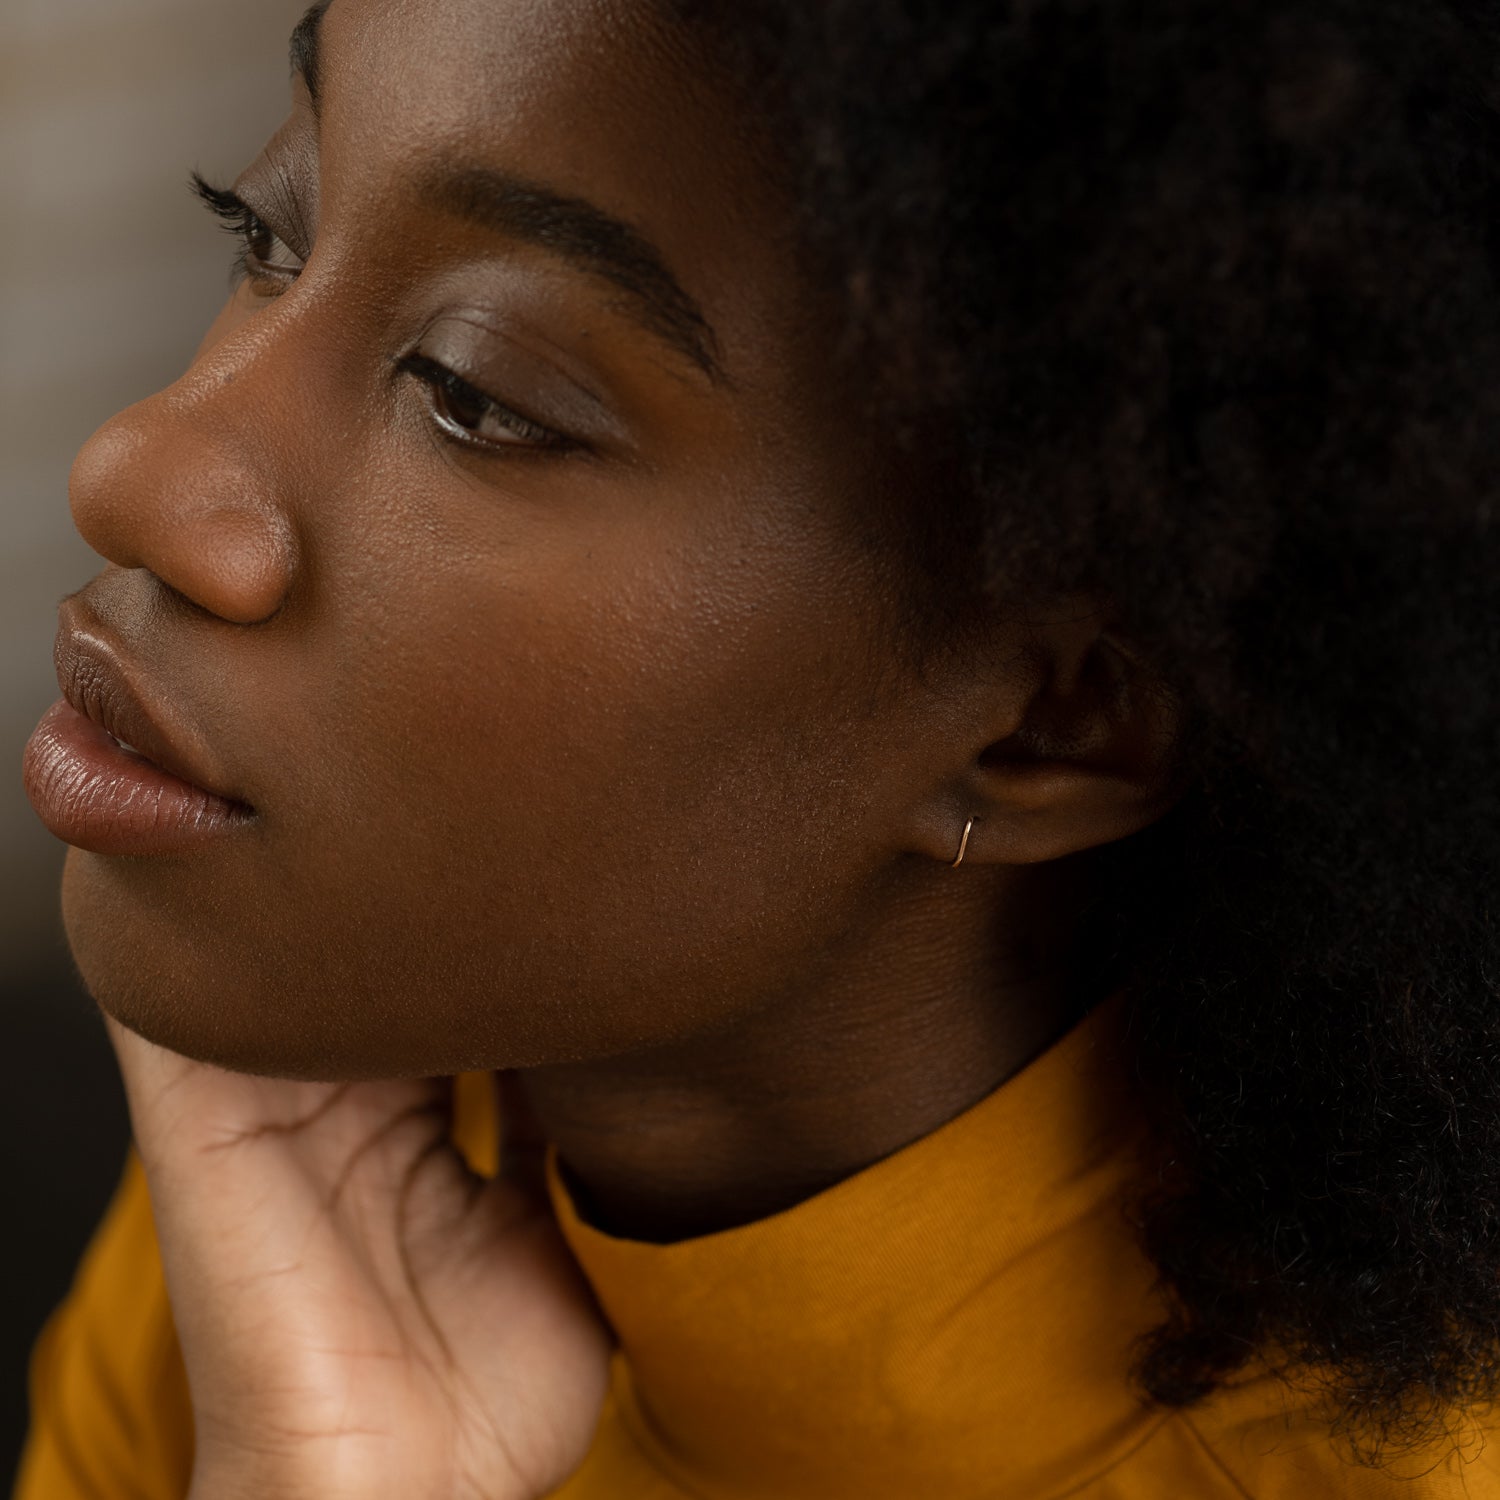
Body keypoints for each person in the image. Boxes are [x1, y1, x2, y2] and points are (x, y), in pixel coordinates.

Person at [13, 0, 1500, 1494]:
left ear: (1054, 724)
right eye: (268, 231)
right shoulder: (331, 1189)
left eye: (474, 392)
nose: (133, 468)